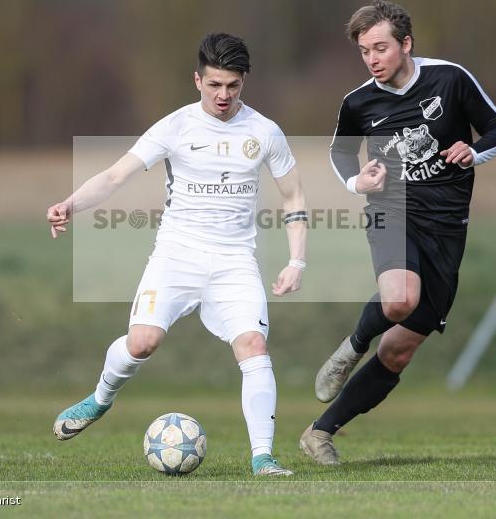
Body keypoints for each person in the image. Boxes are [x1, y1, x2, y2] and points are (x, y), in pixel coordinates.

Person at [47, 33, 307, 477]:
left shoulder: (264, 132)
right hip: (176, 255)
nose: (223, 95)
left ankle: (263, 457)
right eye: (214, 85)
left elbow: (293, 195)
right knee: (143, 341)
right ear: (197, 80)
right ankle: (100, 398)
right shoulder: (176, 127)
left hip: (235, 261)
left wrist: (296, 260)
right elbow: (114, 176)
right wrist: (70, 203)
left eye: (233, 85)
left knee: (253, 345)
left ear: (244, 82)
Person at [299, 0, 496, 465]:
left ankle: (319, 433)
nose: (372, 59)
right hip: (390, 210)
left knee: (397, 351)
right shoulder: (358, 101)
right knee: (398, 299)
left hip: (447, 225)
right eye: (364, 51)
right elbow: (339, 154)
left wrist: (473, 153)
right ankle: (351, 347)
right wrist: (358, 182)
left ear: (406, 44)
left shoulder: (450, 79)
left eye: (380, 48)